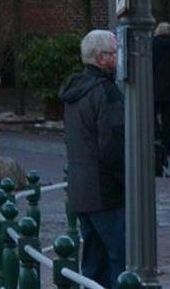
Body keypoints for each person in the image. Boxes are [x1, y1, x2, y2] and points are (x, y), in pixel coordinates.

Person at [62, 29, 125, 288]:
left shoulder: (74, 92)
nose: (118, 58)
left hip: (81, 189)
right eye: (114, 53)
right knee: (120, 262)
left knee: (93, 264)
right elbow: (112, 146)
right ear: (101, 58)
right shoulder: (106, 92)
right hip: (106, 190)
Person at [151, 21, 170, 177]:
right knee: (167, 118)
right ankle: (168, 146)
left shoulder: (152, 45)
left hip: (155, 85)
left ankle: (155, 141)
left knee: (152, 114)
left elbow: (149, 63)